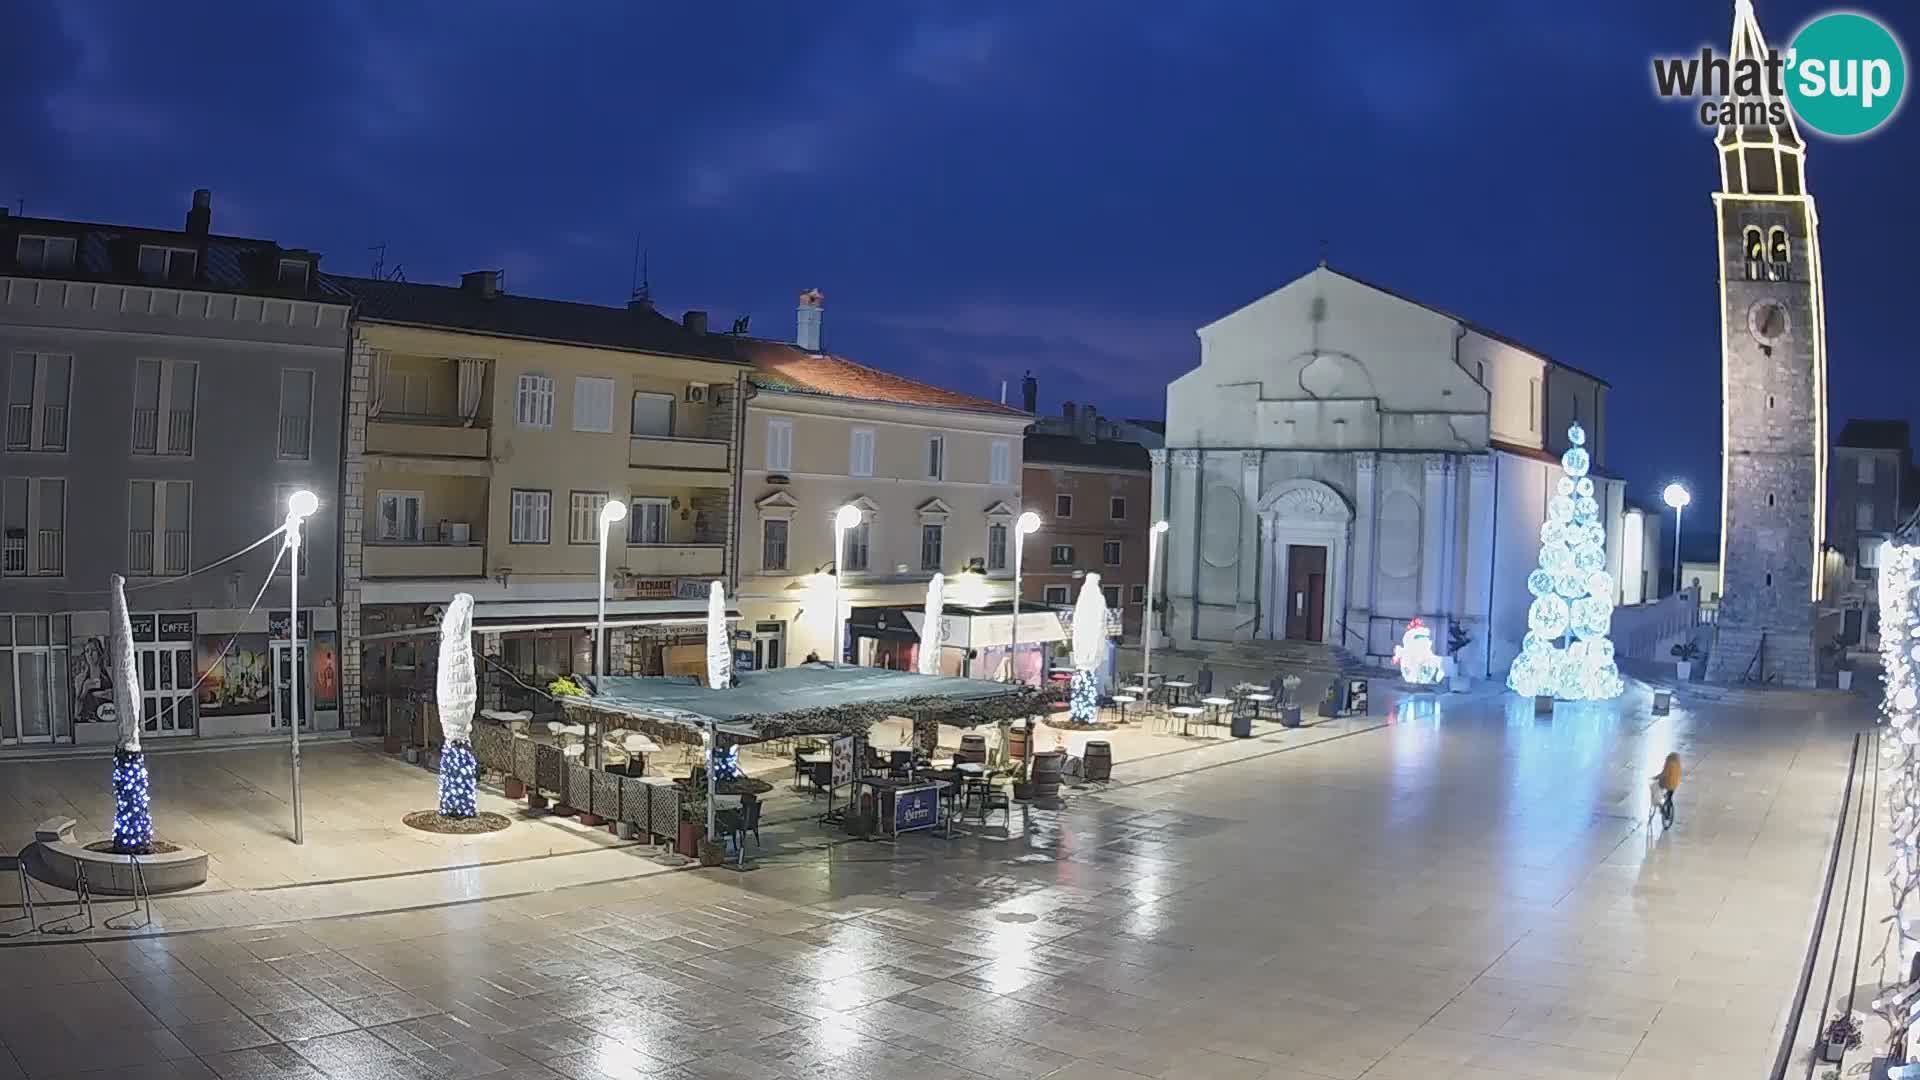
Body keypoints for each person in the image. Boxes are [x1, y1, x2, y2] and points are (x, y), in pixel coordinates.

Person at [1652, 752, 1682, 827]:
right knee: (1669, 797)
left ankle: (1662, 807)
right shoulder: (1678, 764)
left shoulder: (1669, 763)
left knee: (1656, 790)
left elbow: (1664, 773)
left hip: (1667, 783)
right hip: (1675, 784)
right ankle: (1668, 812)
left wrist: (1656, 777)